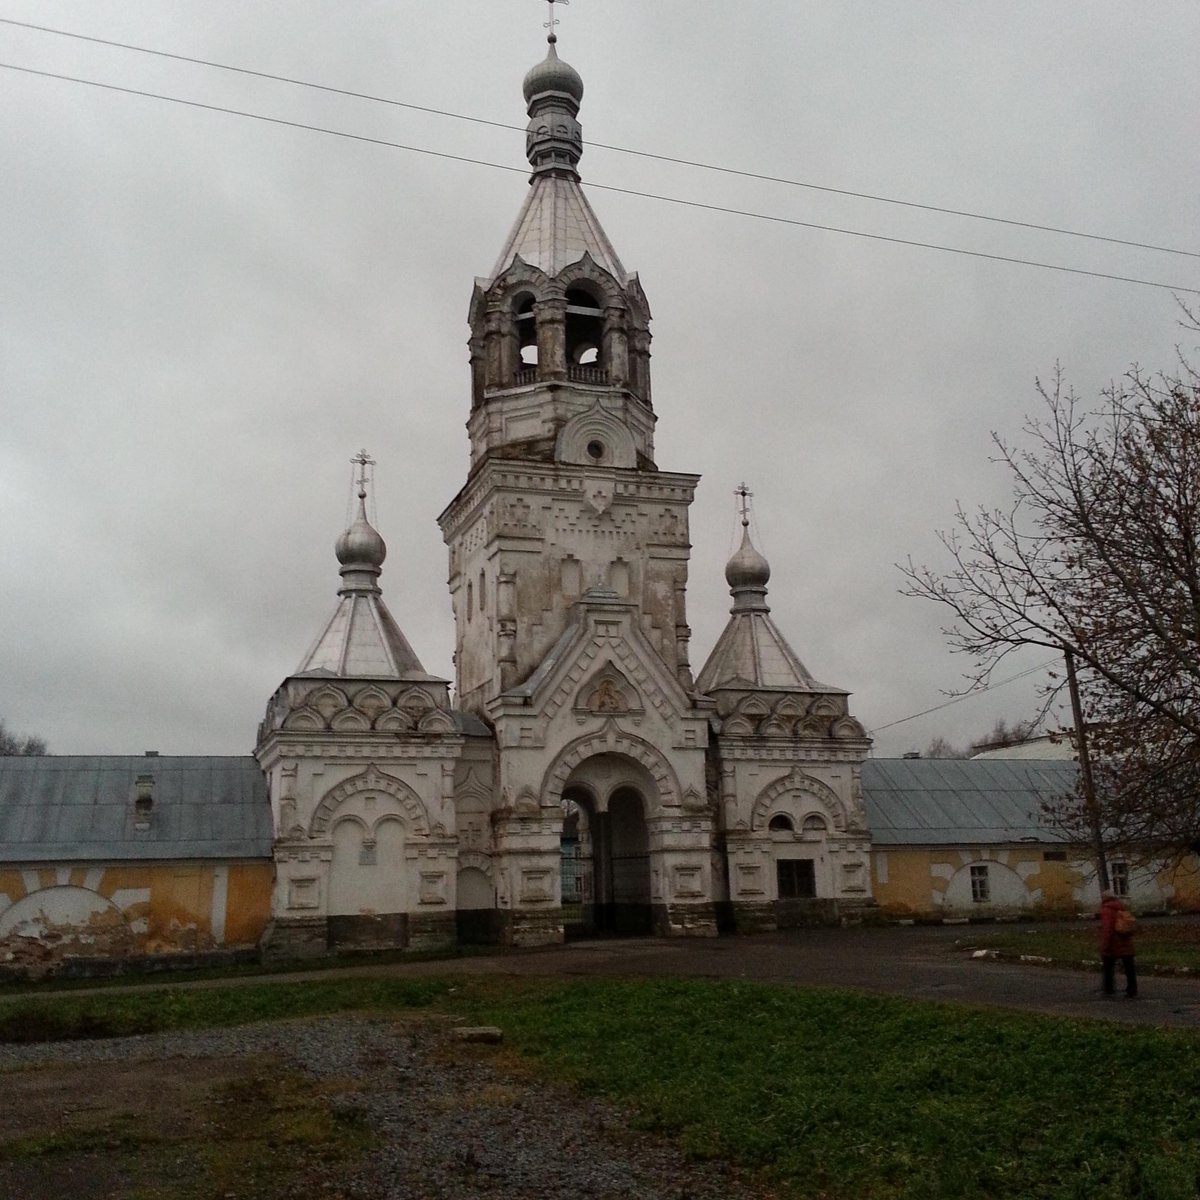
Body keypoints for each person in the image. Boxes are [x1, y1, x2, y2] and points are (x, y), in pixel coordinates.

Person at [1099, 889, 1137, 998]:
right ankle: (1132, 989)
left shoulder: (1107, 910)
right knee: (1129, 968)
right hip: (1126, 942)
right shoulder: (1121, 907)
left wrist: (1104, 945)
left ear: (1104, 898)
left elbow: (1107, 929)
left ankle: (1109, 989)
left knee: (1108, 968)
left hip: (1113, 944)